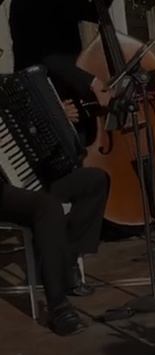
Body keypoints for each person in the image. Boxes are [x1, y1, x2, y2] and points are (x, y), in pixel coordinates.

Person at [0, 166, 108, 336]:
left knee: (95, 180)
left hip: (27, 171)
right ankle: (58, 307)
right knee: (48, 207)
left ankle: (66, 263)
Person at [9, 0, 114, 145]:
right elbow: (46, 55)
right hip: (46, 100)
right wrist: (91, 82)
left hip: (69, 96)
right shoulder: (26, 4)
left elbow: (94, 12)